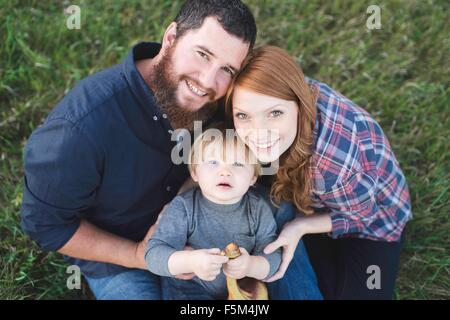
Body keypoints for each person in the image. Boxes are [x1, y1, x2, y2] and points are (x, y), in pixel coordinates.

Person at [20, 0, 256, 300]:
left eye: (227, 68)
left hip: (200, 230)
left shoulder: (222, 100)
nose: (208, 81)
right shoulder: (78, 130)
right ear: (171, 38)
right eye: (202, 54)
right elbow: (45, 225)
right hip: (122, 254)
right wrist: (138, 254)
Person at [226, 46, 412, 299]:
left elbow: (361, 216)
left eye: (275, 113)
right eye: (243, 116)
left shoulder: (332, 164)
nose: (258, 132)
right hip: (311, 198)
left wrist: (299, 226)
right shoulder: (269, 92)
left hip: (370, 220)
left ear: (300, 105)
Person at [146, 126, 282, 299]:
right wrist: (191, 261)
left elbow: (273, 255)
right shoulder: (184, 207)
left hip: (239, 290)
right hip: (190, 289)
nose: (225, 171)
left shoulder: (257, 209)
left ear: (253, 178)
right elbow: (153, 255)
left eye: (238, 164)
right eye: (213, 162)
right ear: (195, 173)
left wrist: (251, 265)